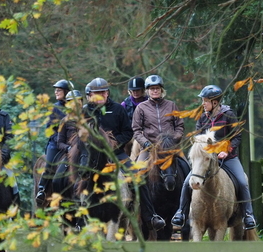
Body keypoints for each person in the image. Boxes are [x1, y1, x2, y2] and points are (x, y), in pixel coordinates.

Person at [82, 77, 165, 231]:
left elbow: (128, 132)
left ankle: (150, 216)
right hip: (91, 155)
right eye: (96, 93)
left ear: (107, 93)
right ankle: (77, 217)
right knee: (74, 176)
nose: (100, 95)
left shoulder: (118, 109)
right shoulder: (85, 111)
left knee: (138, 178)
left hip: (116, 154)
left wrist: (113, 143)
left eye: (103, 92)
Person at [171, 85, 257, 231]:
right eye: (203, 101)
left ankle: (248, 215)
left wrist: (227, 151)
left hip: (227, 158)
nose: (203, 104)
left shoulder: (228, 114)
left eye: (205, 101)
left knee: (242, 182)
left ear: (215, 102)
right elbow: (199, 138)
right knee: (187, 182)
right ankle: (181, 213)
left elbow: (237, 136)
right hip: (207, 160)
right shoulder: (203, 117)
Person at [36, 79, 74, 205]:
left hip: (73, 144)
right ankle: (42, 189)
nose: (56, 92)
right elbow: (50, 130)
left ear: (67, 92)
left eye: (59, 90)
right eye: (56, 90)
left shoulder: (75, 107)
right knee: (50, 165)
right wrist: (61, 141)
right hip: (56, 144)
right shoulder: (55, 108)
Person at [131, 74, 184, 163]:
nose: (155, 91)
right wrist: (146, 144)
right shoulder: (141, 108)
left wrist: (174, 139)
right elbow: (136, 131)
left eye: (157, 88)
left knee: (187, 168)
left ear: (161, 90)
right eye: (152, 88)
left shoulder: (171, 105)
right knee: (138, 173)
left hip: (170, 146)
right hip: (149, 147)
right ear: (147, 91)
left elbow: (179, 126)